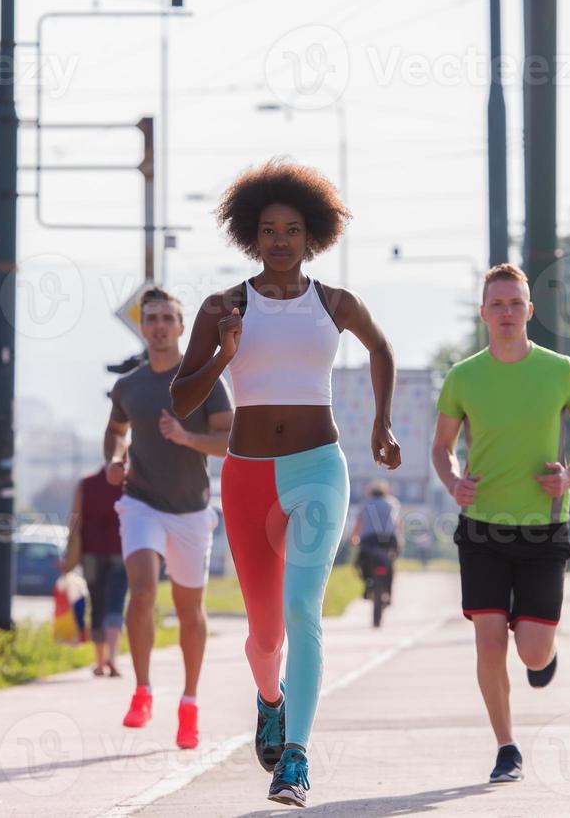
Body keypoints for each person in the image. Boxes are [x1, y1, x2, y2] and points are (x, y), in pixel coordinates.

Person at [171, 160, 401, 808]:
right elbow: (183, 395)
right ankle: (268, 701)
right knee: (264, 634)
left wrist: (380, 424)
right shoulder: (224, 306)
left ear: (312, 236)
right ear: (251, 235)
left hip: (317, 469)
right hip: (246, 479)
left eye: (291, 230)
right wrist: (222, 352)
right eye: (268, 230)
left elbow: (380, 349)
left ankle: (295, 759)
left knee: (304, 610)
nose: (279, 241)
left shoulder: (334, 302)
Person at [429, 263, 570, 784]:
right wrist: (453, 481)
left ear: (530, 311)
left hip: (543, 528)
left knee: (530, 652)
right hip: (481, 527)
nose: (506, 313)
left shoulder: (561, 370)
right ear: (484, 314)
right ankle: (507, 747)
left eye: (515, 304)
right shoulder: (464, 376)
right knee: (488, 641)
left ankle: (542, 653)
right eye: (496, 305)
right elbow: (441, 448)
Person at [105, 286, 233, 751]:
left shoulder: (204, 382)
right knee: (141, 590)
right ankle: (142, 690)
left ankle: (190, 703)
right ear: (143, 327)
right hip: (140, 501)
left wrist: (185, 437)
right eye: (151, 318)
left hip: (192, 510)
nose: (158, 326)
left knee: (188, 609)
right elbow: (116, 432)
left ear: (181, 327)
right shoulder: (130, 385)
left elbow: (228, 441)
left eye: (167, 319)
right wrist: (115, 460)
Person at [61, 465, 128, 677]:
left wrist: (69, 551)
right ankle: (113, 658)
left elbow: (75, 518)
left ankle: (99, 662)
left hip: (90, 553)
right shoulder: (129, 483)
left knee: (97, 605)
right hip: (121, 549)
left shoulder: (86, 483)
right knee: (115, 604)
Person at [349, 480, 403, 599]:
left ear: (370, 492)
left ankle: (368, 584)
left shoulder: (366, 504)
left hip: (369, 539)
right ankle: (388, 592)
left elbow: (359, 523)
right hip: (390, 539)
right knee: (389, 563)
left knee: (361, 561)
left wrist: (353, 538)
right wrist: (399, 541)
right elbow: (397, 524)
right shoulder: (392, 503)